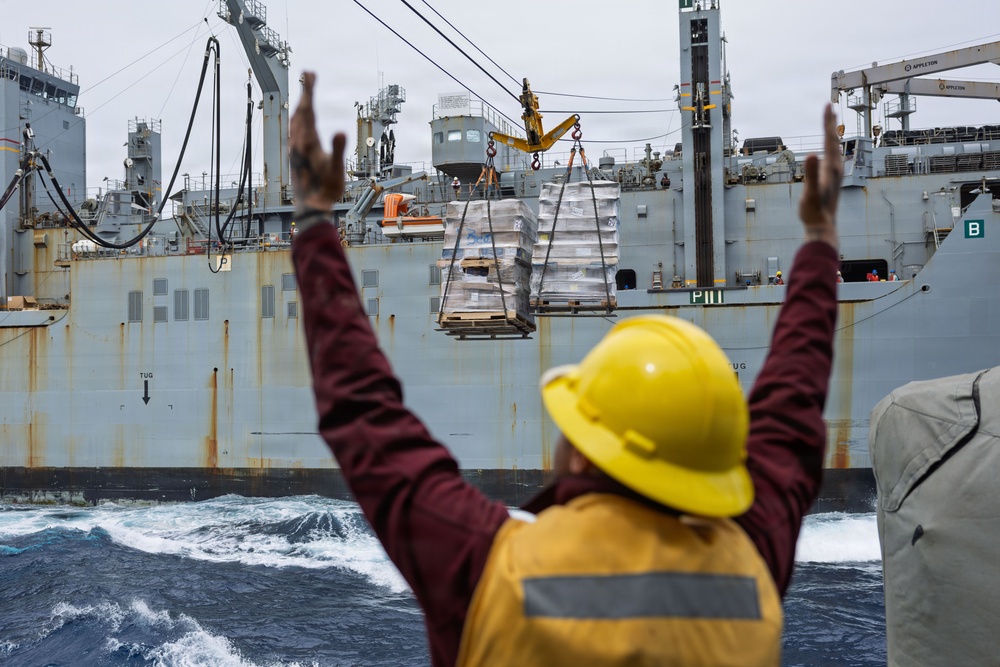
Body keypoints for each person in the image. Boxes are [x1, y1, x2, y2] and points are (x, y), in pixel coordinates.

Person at [289, 71, 842, 667]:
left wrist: (317, 222)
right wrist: (817, 241)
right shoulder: (749, 571)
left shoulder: (495, 572)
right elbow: (792, 410)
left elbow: (365, 416)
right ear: (708, 465)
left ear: (581, 452)